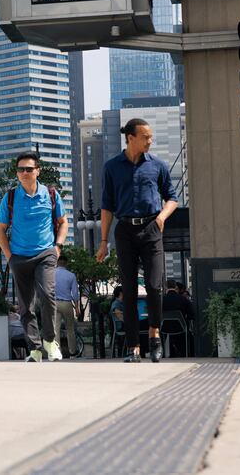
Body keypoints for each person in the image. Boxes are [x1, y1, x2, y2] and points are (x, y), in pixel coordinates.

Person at [96, 118, 177, 363]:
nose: (150, 141)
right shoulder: (111, 167)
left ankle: (154, 335)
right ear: (130, 138)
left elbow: (172, 198)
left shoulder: (158, 166)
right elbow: (107, 206)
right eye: (145, 137)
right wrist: (103, 241)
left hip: (152, 228)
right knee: (128, 290)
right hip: (125, 231)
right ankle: (133, 347)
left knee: (154, 286)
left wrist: (162, 217)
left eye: (151, 137)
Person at [0, 150, 68, 363]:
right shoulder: (10, 197)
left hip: (45, 253)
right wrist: (9, 256)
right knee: (26, 306)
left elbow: (63, 222)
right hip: (19, 256)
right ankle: (34, 348)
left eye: (29, 169)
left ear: (38, 171)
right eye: (20, 169)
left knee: (47, 295)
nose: (24, 173)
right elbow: (0, 228)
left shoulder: (51, 195)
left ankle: (50, 341)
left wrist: (58, 247)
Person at [54, 253, 81, 358]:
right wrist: (77, 308)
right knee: (70, 328)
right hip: (67, 303)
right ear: (66, 264)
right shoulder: (71, 275)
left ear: (57, 263)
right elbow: (75, 293)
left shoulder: (51, 273)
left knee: (55, 328)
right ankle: (72, 352)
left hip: (54, 303)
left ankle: (57, 352)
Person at [162, 279, 195, 358]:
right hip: (181, 327)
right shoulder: (183, 299)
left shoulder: (161, 300)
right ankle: (187, 353)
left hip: (164, 327)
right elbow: (191, 315)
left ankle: (163, 353)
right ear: (176, 287)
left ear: (166, 287)